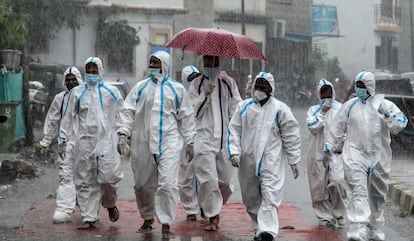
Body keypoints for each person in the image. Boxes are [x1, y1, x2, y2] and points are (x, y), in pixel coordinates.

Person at [116, 51, 195, 239]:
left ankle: (167, 223)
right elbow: (127, 111)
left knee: (168, 184)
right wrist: (123, 133)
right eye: (150, 62)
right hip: (142, 142)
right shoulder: (140, 88)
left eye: (156, 63)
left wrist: (190, 140)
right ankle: (148, 217)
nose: (152, 66)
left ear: (165, 65)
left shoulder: (177, 90)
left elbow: (187, 116)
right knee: (142, 184)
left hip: (169, 142)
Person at [325, 71, 408, 241]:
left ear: (370, 87)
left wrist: (387, 114)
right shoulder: (349, 106)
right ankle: (357, 230)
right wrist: (330, 147)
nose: (359, 89)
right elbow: (336, 128)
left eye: (363, 86)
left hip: (379, 158)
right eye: (358, 85)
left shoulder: (385, 105)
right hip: (355, 155)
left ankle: (375, 228)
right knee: (359, 191)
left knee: (377, 196)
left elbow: (400, 124)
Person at [227, 72, 301, 241]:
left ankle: (267, 231)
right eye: (257, 85)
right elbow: (234, 130)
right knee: (250, 198)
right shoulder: (244, 107)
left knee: (270, 195)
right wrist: (234, 151)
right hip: (247, 162)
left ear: (271, 89)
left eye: (263, 86)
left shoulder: (280, 109)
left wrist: (294, 159)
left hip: (271, 162)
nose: (259, 89)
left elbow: (291, 135)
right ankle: (258, 226)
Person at [60, 57, 124, 229]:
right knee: (85, 179)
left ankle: (110, 203)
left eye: (95, 70)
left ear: (100, 71)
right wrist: (62, 140)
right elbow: (67, 117)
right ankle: (89, 217)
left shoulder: (111, 92)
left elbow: (122, 115)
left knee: (108, 178)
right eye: (88, 70)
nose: (92, 74)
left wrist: (123, 136)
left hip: (106, 142)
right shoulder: (77, 93)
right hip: (85, 142)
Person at [188, 55, 242, 231]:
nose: (210, 65)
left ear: (219, 63)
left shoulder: (228, 83)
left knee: (225, 182)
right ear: (203, 63)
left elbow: (237, 108)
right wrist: (205, 95)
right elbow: (192, 112)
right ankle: (213, 215)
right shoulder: (196, 84)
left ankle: (209, 204)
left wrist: (238, 133)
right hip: (203, 138)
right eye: (207, 62)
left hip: (224, 138)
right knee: (209, 180)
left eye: (214, 62)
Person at [35, 66, 82, 223]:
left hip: (86, 143)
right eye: (68, 80)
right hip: (66, 143)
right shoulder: (60, 98)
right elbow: (53, 120)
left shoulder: (89, 96)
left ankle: (87, 205)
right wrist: (46, 141)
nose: (70, 82)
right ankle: (64, 208)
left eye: (73, 79)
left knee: (86, 177)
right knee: (65, 176)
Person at [305, 78, 347, 227]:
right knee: (318, 185)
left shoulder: (341, 108)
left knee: (337, 181)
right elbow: (312, 127)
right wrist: (322, 113)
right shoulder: (313, 110)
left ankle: (339, 213)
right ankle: (323, 215)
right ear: (319, 94)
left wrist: (342, 141)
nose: (327, 95)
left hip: (336, 153)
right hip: (317, 153)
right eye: (323, 92)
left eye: (329, 91)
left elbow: (346, 127)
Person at [178, 65, 202, 221]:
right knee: (186, 177)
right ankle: (190, 209)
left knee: (204, 175)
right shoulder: (179, 96)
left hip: (203, 139)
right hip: (184, 140)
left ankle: (205, 206)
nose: (194, 81)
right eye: (191, 79)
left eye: (196, 78)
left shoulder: (206, 94)